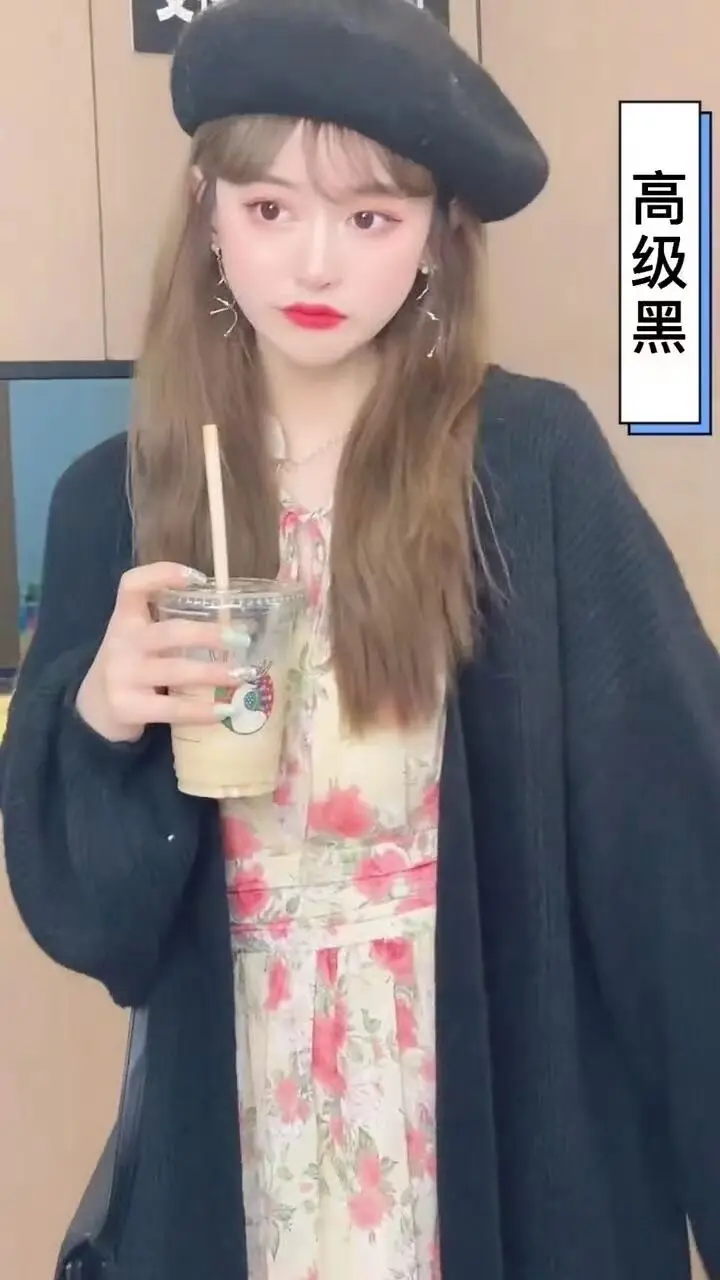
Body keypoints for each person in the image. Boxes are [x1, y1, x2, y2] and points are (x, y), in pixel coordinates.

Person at [2, 0, 720, 1277]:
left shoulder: (528, 465)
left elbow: (680, 868)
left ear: (439, 236)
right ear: (208, 214)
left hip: (495, 1135)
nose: (316, 264)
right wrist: (98, 716)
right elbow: (97, 927)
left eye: (372, 217)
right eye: (270, 207)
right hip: (243, 1147)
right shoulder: (118, 499)